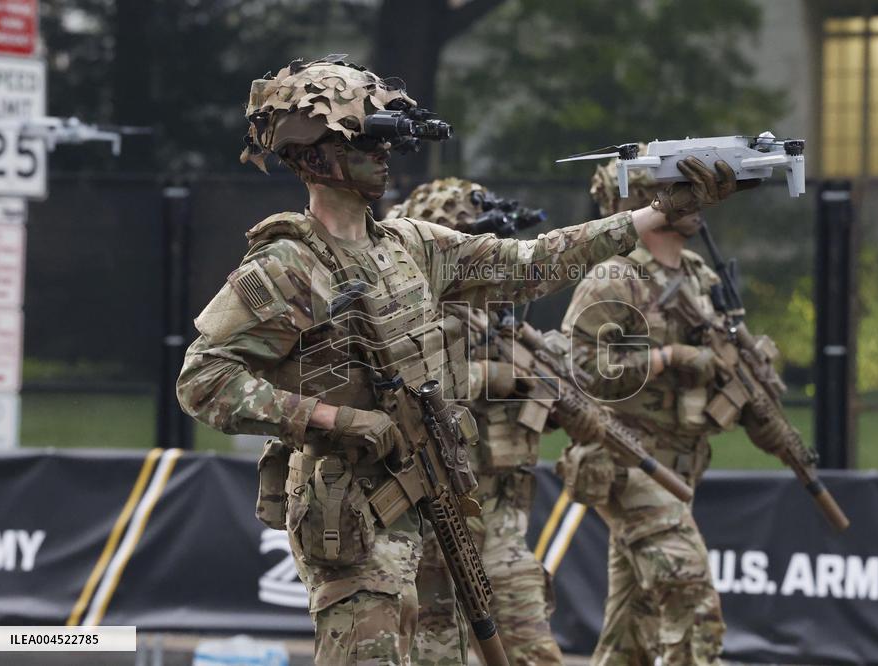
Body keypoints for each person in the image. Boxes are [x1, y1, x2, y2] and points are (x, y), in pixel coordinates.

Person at [177, 56, 742, 664]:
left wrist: (654, 214)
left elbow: (530, 263)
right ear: (315, 156)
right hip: (350, 517)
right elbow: (203, 377)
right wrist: (332, 420)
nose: (385, 156)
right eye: (367, 142)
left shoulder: (410, 246)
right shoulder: (287, 266)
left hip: (431, 498)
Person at [560, 145, 753, 665]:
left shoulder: (699, 276)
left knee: (634, 629)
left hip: (682, 463)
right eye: (681, 193)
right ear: (650, 199)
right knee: (691, 599)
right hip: (629, 460)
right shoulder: (614, 276)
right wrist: (665, 357)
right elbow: (576, 369)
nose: (696, 203)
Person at [386, 178, 571, 665]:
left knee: (526, 644)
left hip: (497, 516)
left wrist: (539, 384)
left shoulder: (496, 315)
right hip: (436, 516)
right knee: (439, 645)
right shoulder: (411, 307)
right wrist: (496, 376)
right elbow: (411, 383)